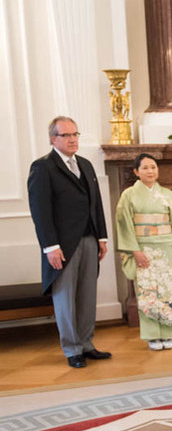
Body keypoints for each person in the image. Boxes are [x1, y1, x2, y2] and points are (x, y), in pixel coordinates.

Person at [27, 116, 111, 368]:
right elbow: (40, 211)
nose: (73, 139)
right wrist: (50, 246)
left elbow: (95, 204)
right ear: (53, 139)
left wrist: (102, 237)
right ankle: (72, 349)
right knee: (65, 298)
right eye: (66, 135)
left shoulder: (85, 164)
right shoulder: (43, 167)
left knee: (87, 296)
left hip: (89, 239)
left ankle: (86, 344)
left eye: (75, 134)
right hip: (62, 246)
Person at [115, 154, 172, 350]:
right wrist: (135, 250)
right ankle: (152, 335)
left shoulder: (167, 194)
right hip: (143, 249)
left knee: (168, 292)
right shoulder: (128, 195)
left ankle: (169, 332)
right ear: (136, 172)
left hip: (166, 247)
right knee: (147, 292)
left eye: (153, 167)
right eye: (145, 168)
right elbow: (124, 223)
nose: (150, 171)